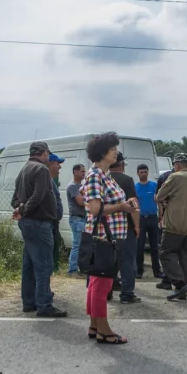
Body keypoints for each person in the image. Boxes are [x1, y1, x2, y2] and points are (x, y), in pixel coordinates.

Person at [81, 132, 134, 344]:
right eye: (113, 149)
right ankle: (104, 329)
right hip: (104, 236)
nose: (116, 153)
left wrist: (127, 203)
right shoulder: (95, 175)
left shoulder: (105, 175)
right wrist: (122, 206)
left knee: (97, 282)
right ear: (103, 153)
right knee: (103, 285)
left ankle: (95, 325)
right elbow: (95, 209)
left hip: (109, 235)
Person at [11, 141, 66, 318]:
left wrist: (20, 208)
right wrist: (24, 209)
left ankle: (29, 302)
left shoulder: (24, 169)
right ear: (43, 152)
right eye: (48, 153)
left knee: (29, 265)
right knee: (43, 266)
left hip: (28, 223)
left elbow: (15, 198)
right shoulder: (41, 169)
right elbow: (39, 195)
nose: (49, 156)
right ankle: (44, 305)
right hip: (39, 222)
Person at [155, 153, 187, 301]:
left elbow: (159, 196)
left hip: (174, 224)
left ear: (177, 165)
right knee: (184, 257)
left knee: (165, 253)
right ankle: (183, 289)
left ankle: (179, 282)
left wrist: (163, 201)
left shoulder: (175, 177)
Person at [109, 152, 142, 304]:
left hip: (106, 228)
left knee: (108, 260)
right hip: (125, 227)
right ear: (122, 164)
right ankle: (127, 294)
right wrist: (136, 226)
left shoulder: (103, 179)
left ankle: (106, 292)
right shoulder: (127, 180)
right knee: (127, 261)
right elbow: (134, 205)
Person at [134, 164, 162, 280]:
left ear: (148, 172)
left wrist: (161, 215)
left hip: (152, 218)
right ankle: (139, 270)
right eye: (141, 172)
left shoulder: (154, 186)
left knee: (154, 246)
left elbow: (159, 201)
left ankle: (157, 270)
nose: (143, 174)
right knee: (139, 246)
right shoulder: (135, 188)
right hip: (141, 219)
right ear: (138, 173)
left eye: (145, 172)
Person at [66, 164, 87, 277]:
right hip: (77, 218)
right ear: (75, 172)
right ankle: (72, 270)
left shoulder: (81, 185)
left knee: (82, 245)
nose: (84, 173)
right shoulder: (73, 186)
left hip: (83, 218)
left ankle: (79, 268)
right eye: (82, 171)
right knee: (77, 245)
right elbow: (81, 202)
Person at [48, 154, 65, 273]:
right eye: (57, 163)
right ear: (50, 164)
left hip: (53, 223)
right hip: (49, 223)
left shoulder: (51, 181)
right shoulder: (46, 181)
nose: (60, 166)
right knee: (46, 258)